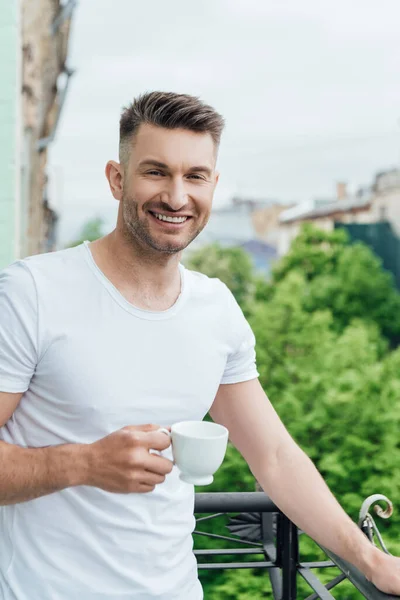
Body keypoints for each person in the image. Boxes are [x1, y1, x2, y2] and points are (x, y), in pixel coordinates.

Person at [0, 91, 399, 600]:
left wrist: (369, 559)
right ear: (117, 179)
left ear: (213, 185)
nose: (176, 196)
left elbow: (274, 456)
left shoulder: (216, 308)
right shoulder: (32, 292)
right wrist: (81, 464)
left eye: (195, 176)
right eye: (156, 172)